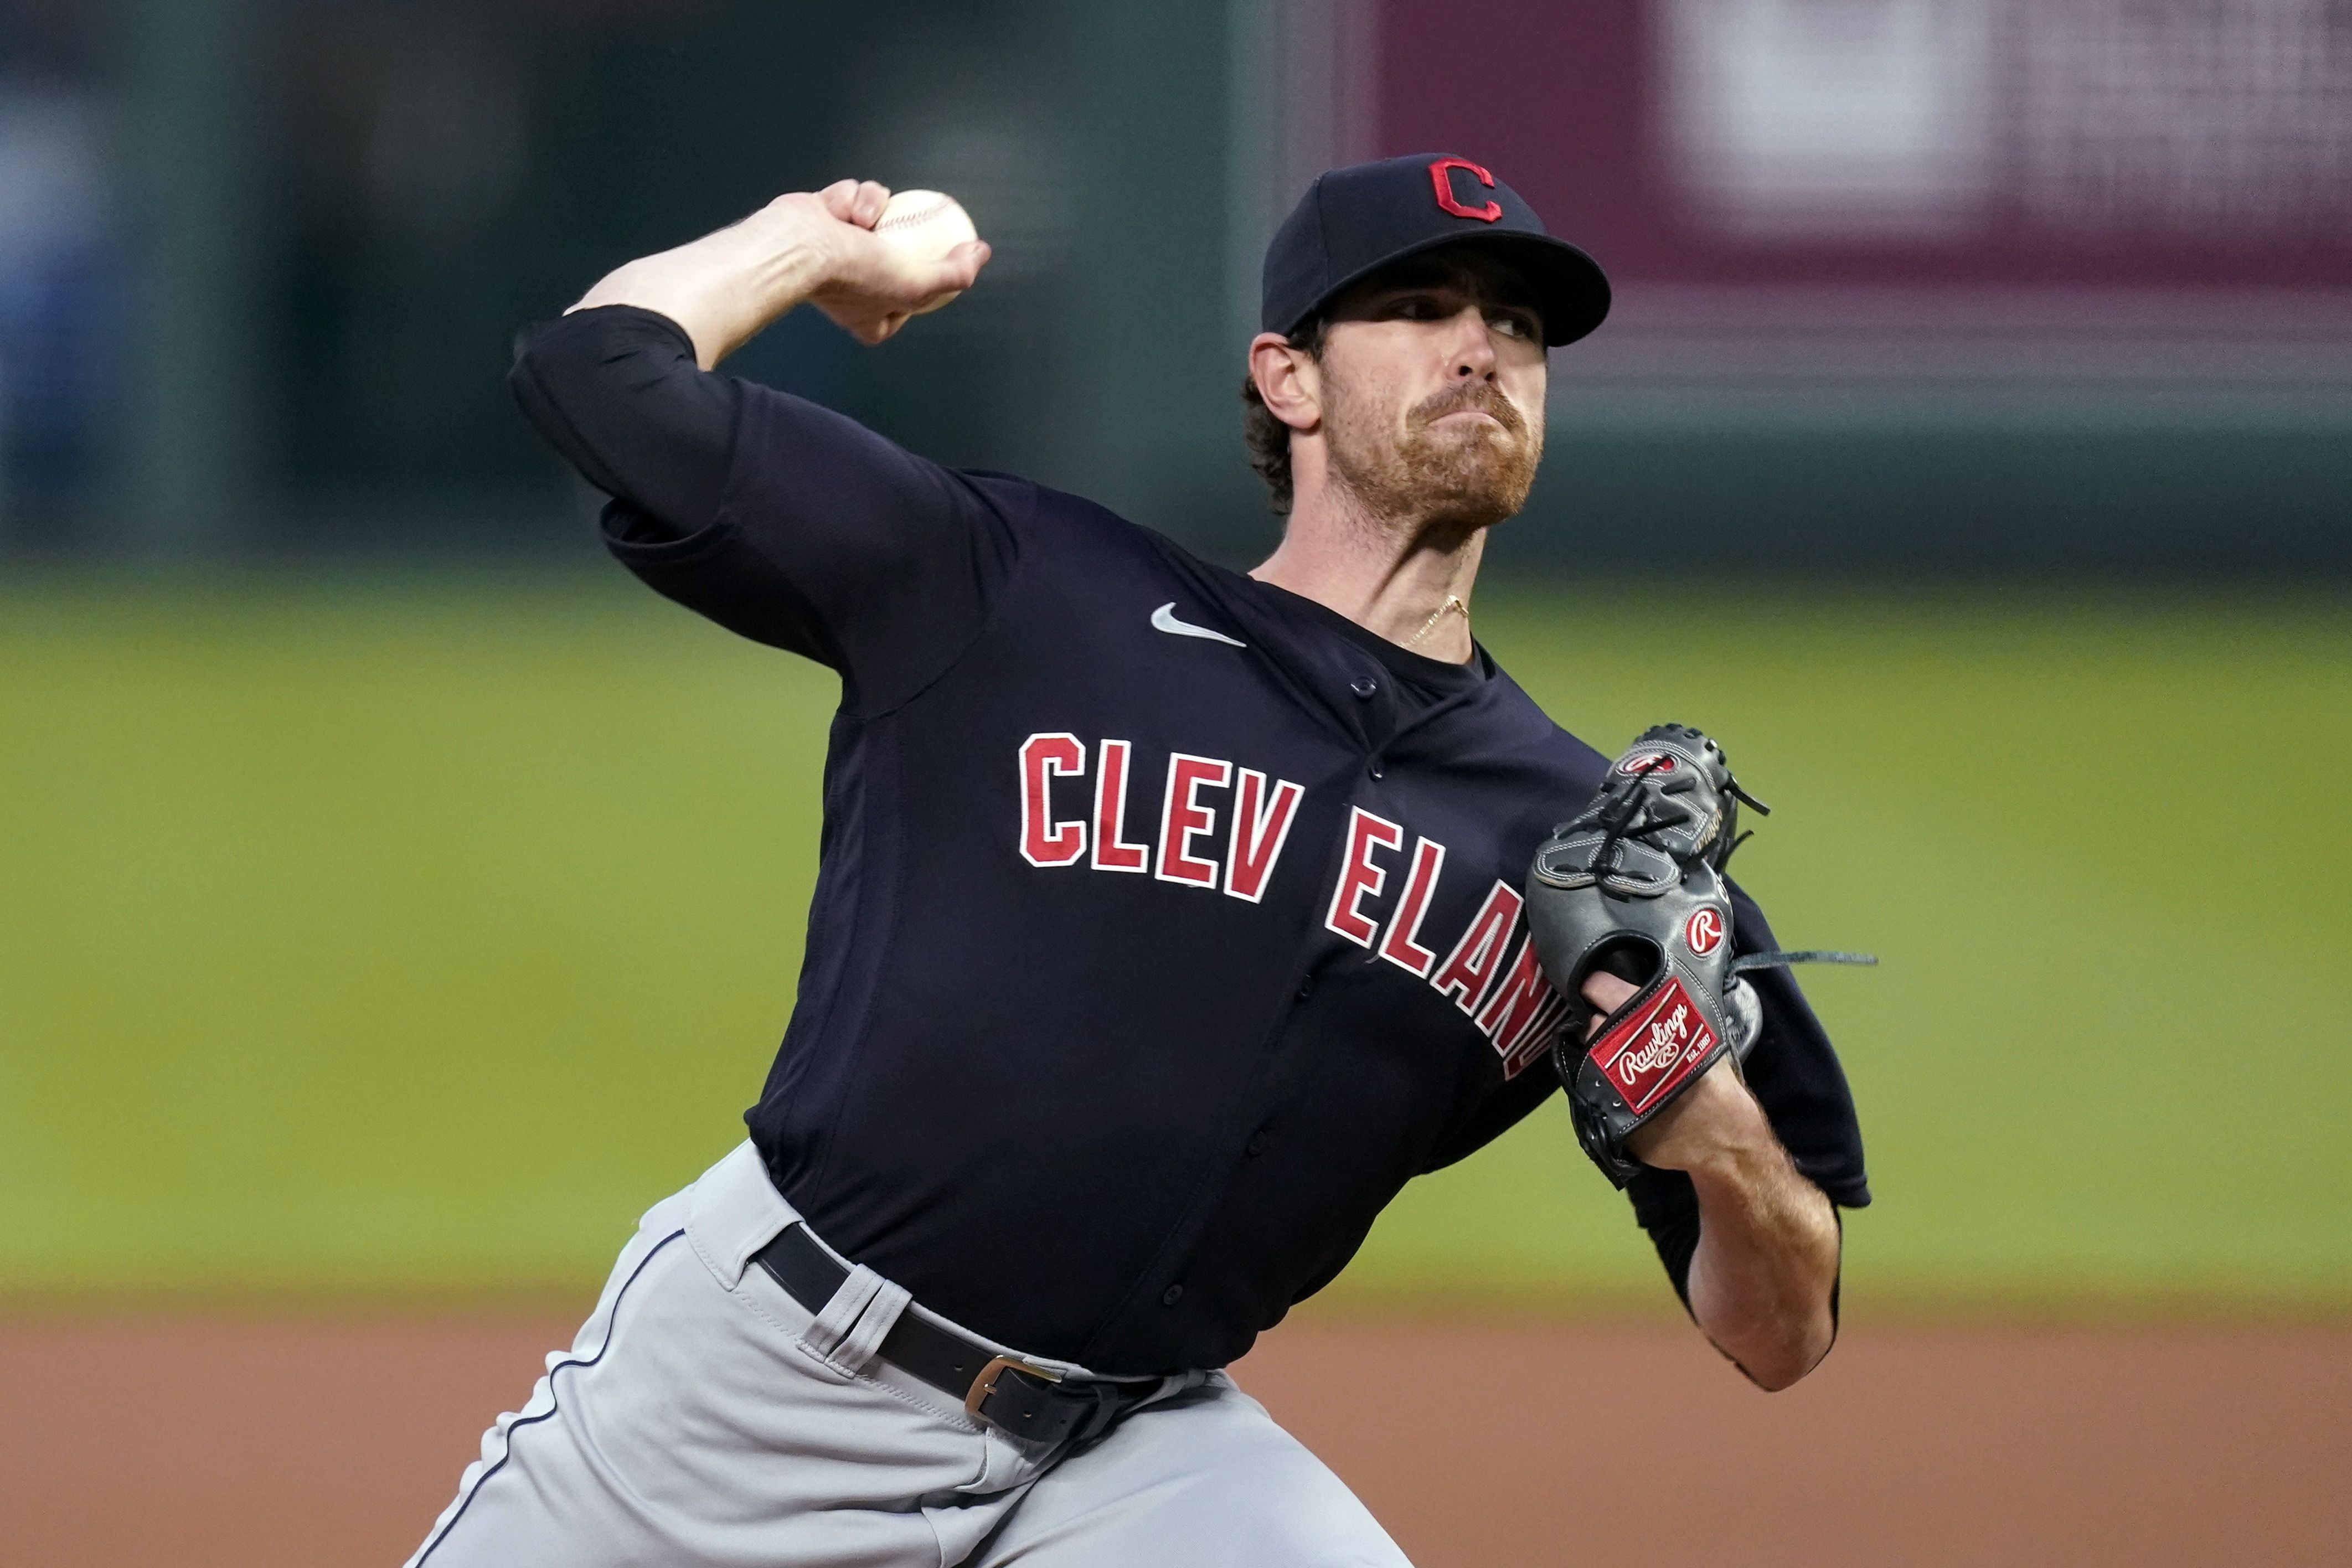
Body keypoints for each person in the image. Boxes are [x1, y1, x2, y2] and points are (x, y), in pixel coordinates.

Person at [409, 153, 1868, 1568]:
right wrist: (818, 247)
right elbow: (596, 370)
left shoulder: (1593, 848)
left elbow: (1781, 1332)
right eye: (1420, 309)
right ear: (1287, 377)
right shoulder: (1028, 589)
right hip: (763, 1391)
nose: (1481, 347)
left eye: (1520, 327)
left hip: (1128, 1463)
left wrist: (1712, 1122)